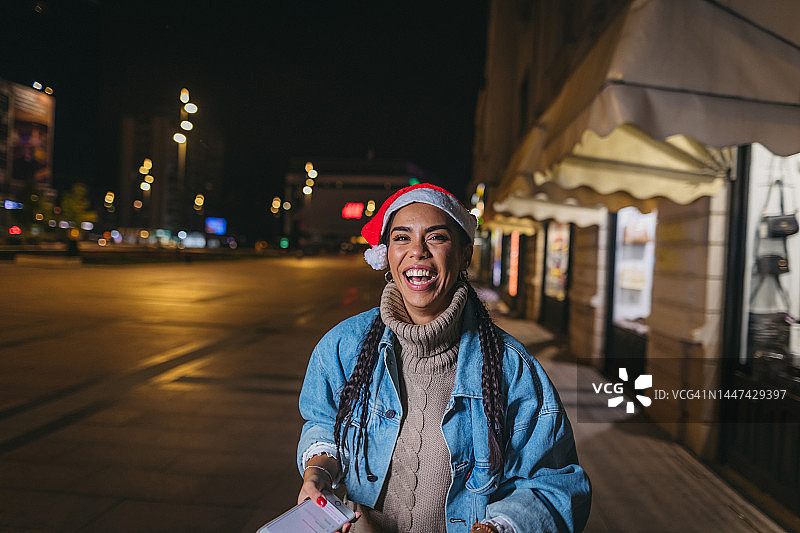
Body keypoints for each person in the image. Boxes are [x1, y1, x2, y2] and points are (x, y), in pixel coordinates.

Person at [296, 183, 591, 533]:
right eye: (401, 238)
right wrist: (318, 473)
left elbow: (555, 483)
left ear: (465, 255)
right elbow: (324, 424)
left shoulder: (511, 368)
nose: (417, 252)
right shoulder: (344, 346)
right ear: (386, 254)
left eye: (436, 237)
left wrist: (497, 528)